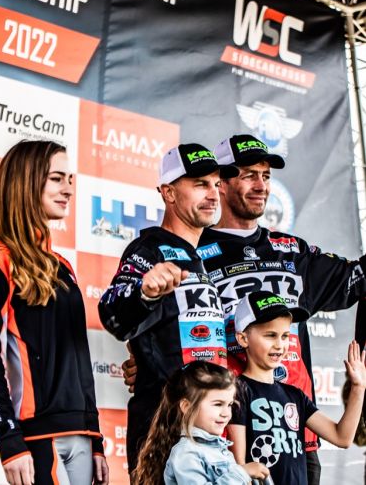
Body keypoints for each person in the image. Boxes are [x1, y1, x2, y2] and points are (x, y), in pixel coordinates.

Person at [122, 133, 366, 484]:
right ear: (219, 183)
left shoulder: (293, 252)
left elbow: (358, 279)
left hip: (293, 433)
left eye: (265, 176)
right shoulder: (187, 249)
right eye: (249, 175)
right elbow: (149, 322)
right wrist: (144, 363)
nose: (261, 185)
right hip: (218, 435)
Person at [0, 140, 109, 485]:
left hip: (81, 433)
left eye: (70, 180)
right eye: (57, 179)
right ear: (27, 181)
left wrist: (95, 437)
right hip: (35, 436)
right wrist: (8, 436)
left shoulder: (63, 266)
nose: (68, 189)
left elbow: (79, 360)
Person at [98, 143, 239, 472]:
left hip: (203, 431)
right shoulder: (150, 248)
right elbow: (112, 314)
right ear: (168, 192)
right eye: (200, 184)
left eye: (216, 184)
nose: (213, 194)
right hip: (162, 430)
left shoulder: (201, 257)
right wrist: (145, 293)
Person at [228, 290, 366, 485]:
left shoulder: (295, 395)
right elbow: (239, 467)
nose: (280, 345)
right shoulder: (236, 391)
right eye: (270, 335)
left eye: (285, 336)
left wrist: (358, 387)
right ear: (243, 339)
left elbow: (342, 437)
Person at [133, 360, 269, 484]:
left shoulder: (220, 450)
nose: (226, 413)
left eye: (229, 405)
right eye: (218, 404)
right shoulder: (186, 453)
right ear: (186, 406)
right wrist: (242, 473)